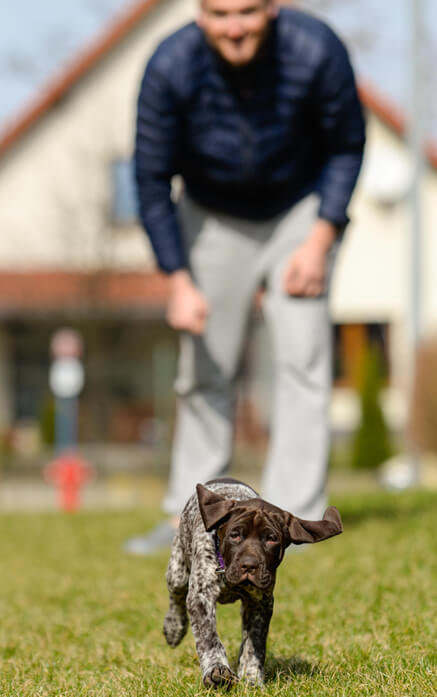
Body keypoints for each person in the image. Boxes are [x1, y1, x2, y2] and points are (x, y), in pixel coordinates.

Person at [124, 0, 365, 554]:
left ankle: (294, 517)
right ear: (199, 13)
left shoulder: (316, 49)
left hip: (298, 211)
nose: (235, 27)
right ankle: (189, 517)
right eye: (219, 13)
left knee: (303, 356)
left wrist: (321, 237)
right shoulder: (170, 65)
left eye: (248, 11)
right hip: (210, 215)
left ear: (273, 7)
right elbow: (151, 176)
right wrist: (178, 279)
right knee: (205, 362)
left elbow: (347, 145)